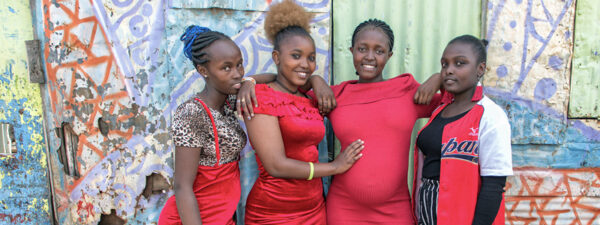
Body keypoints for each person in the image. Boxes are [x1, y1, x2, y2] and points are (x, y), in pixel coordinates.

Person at [237, 18, 444, 224]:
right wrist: (250, 81)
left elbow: (457, 99)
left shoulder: (407, 92)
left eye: (379, 51)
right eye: (362, 49)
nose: (370, 57)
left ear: (389, 56)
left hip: (394, 208)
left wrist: (438, 78)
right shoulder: (334, 96)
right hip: (344, 208)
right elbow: (286, 80)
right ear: (352, 50)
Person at [242, 1, 364, 224]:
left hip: (314, 208)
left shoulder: (308, 99)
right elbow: (276, 165)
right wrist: (335, 167)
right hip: (274, 213)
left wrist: (316, 80)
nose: (305, 65)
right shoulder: (262, 97)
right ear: (277, 58)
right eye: (296, 56)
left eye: (311, 58)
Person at [413, 35, 513, 225]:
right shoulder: (439, 111)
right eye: (444, 65)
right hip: (427, 214)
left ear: (480, 69)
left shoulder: (491, 116)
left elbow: (494, 187)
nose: (449, 70)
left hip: (462, 217)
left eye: (459, 63)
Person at [158, 25, 251, 225]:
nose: (237, 74)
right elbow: (182, 186)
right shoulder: (193, 113)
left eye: (239, 65)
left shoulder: (228, 102)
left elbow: (271, 79)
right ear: (203, 70)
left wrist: (250, 82)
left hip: (222, 216)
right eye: (226, 67)